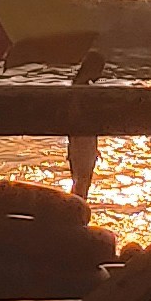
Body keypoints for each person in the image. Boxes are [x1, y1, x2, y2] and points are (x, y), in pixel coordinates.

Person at [68, 44, 104, 203]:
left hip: (82, 140)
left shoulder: (78, 86)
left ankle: (76, 207)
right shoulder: (81, 90)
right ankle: (77, 207)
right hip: (82, 140)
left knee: (80, 180)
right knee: (82, 180)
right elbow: (78, 117)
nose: (101, 74)